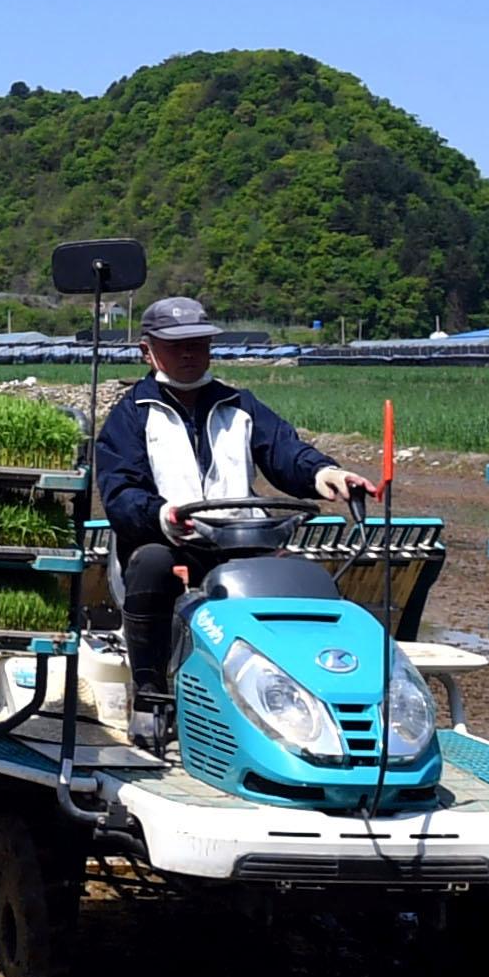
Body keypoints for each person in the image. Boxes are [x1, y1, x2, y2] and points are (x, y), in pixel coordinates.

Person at [87, 296, 374, 694]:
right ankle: (150, 694)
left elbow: (285, 451)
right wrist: (164, 514)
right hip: (169, 541)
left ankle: (304, 693)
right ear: (147, 351)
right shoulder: (132, 414)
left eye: (199, 343)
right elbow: (121, 493)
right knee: (151, 565)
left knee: (303, 578)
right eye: (175, 345)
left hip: (242, 542)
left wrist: (326, 473)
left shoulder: (240, 405)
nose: (189, 353)